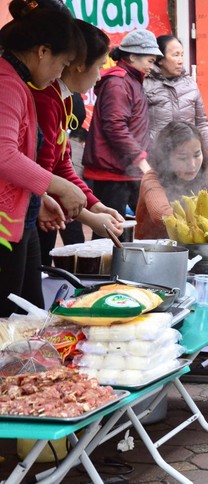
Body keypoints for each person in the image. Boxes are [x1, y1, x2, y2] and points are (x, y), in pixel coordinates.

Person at [0, 0, 88, 316]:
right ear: (43, 51)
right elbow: (4, 155)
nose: (60, 74)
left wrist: (39, 195)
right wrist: (59, 187)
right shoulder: (6, 83)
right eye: (62, 64)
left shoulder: (17, 81)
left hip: (19, 219)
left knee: (29, 316)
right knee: (10, 321)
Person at [33, 19, 125, 264]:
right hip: (32, 210)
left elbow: (61, 164)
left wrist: (96, 206)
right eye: (97, 68)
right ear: (77, 66)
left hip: (45, 206)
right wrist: (89, 217)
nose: (98, 78)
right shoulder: (44, 99)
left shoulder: (62, 99)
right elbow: (41, 173)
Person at [81, 29, 162, 232]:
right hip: (112, 174)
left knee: (137, 230)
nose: (152, 67)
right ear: (132, 56)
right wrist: (141, 160)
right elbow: (115, 127)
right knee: (110, 234)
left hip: (127, 171)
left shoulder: (133, 81)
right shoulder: (118, 84)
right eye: (150, 60)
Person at [144, 34, 208, 157]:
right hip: (157, 158)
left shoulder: (190, 84)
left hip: (188, 158)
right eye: (175, 55)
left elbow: (202, 124)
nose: (180, 61)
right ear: (160, 59)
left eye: (182, 55)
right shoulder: (145, 84)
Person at [135, 121, 208, 240]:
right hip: (152, 254)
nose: (192, 164)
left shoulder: (199, 179)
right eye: (182, 158)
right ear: (166, 157)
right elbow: (161, 215)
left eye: (196, 155)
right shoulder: (151, 179)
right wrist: (203, 221)